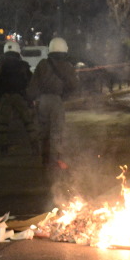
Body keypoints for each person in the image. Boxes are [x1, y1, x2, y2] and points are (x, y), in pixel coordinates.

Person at [27, 36, 78, 168]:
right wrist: (64, 96)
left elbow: (34, 85)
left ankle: (45, 159)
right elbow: (73, 86)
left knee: (43, 131)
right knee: (57, 131)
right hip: (56, 100)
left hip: (42, 101)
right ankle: (56, 160)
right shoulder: (67, 66)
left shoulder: (42, 64)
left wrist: (31, 99)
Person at [0, 40, 38, 155]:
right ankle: (35, 146)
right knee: (28, 122)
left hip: (5, 96)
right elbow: (30, 82)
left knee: (3, 124)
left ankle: (4, 148)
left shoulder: (0, 65)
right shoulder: (23, 65)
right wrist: (30, 98)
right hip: (20, 96)